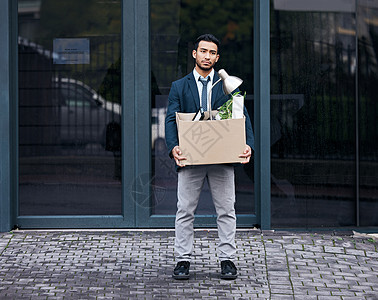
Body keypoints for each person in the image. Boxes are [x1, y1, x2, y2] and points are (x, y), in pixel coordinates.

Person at [165, 34, 255, 280]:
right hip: (191, 157)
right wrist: (173, 147)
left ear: (217, 57)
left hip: (222, 157)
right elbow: (171, 119)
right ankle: (183, 260)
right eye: (203, 51)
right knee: (185, 210)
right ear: (194, 54)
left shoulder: (227, 84)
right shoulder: (179, 86)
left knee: (227, 210)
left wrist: (248, 145)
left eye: (212, 52)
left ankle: (228, 259)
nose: (207, 56)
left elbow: (241, 115)